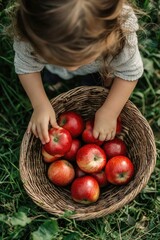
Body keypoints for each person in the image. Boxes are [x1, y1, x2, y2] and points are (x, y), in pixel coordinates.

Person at [13, 0, 143, 144]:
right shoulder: (32, 35)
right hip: (53, 69)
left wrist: (110, 112)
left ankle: (89, 84)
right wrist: (40, 105)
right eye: (57, 59)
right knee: (53, 75)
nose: (71, 68)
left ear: (107, 38)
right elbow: (27, 67)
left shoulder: (121, 33)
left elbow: (129, 72)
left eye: (84, 58)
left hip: (99, 69)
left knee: (97, 82)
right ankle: (54, 77)